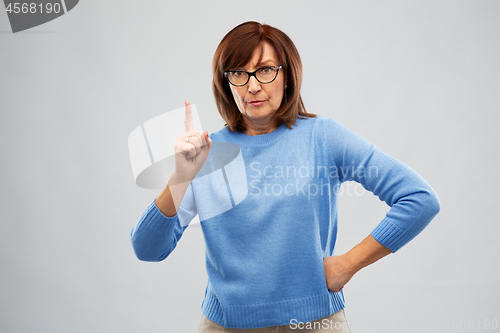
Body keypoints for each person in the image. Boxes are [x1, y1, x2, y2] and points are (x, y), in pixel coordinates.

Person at [130, 21, 441, 332]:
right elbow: (147, 249)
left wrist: (347, 264)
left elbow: (418, 198)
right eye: (238, 72)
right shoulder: (204, 154)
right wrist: (181, 177)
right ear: (226, 82)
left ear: (287, 75)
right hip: (226, 325)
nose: (252, 85)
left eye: (265, 70)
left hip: (316, 323)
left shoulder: (323, 137)